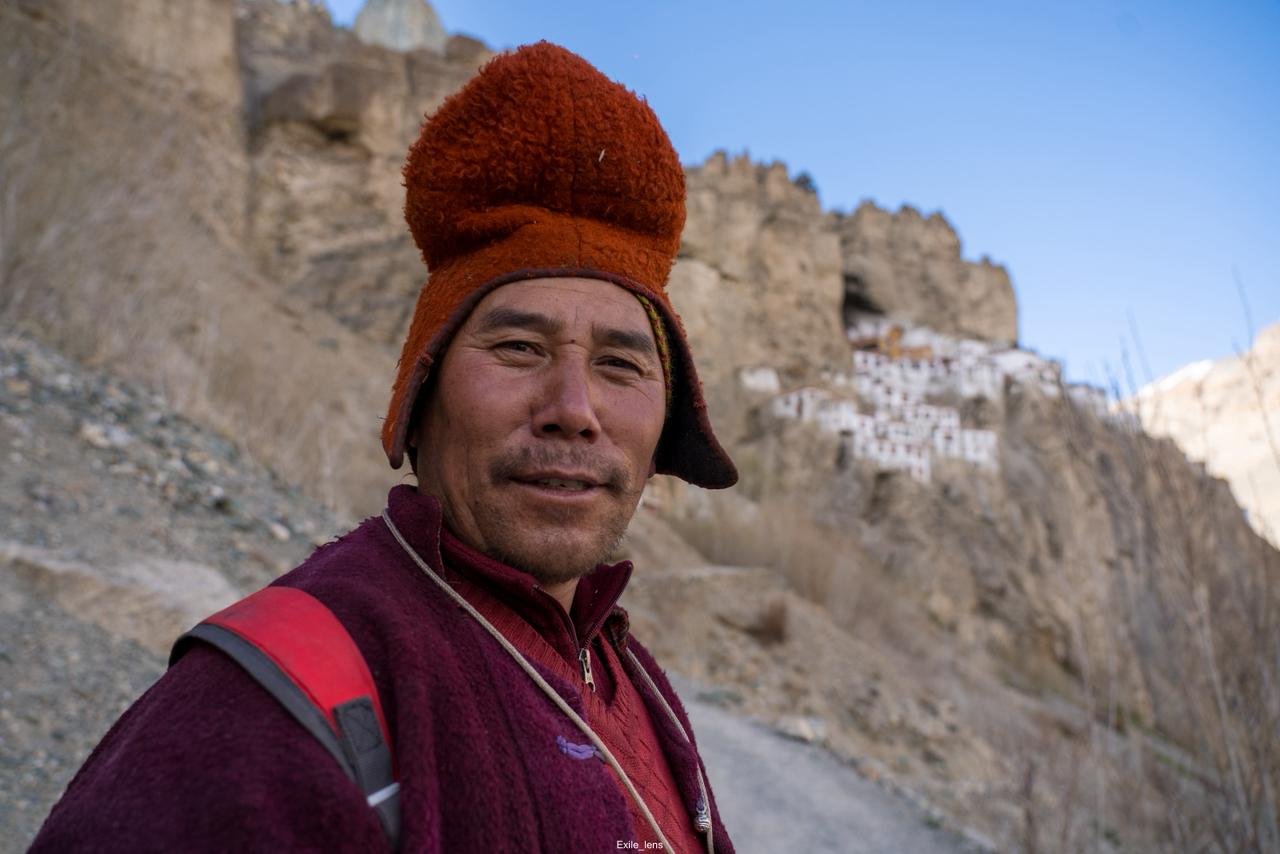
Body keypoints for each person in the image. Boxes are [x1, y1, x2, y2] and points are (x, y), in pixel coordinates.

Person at [32, 41, 738, 853]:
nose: (575, 411)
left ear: (665, 426)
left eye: (620, 365)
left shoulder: (629, 673)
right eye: (517, 349)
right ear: (421, 400)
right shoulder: (263, 713)